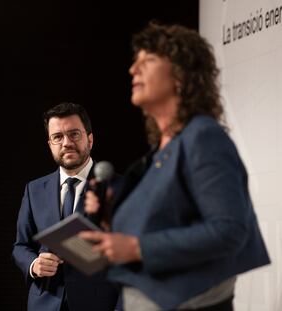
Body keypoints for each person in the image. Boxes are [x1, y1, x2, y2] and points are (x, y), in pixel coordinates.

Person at [79, 22, 270, 311]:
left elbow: (229, 230)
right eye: (135, 61)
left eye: (149, 60)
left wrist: (135, 248)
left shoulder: (204, 137)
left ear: (181, 75)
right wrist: (109, 219)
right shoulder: (163, 149)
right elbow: (168, 222)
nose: (133, 69)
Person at [12, 102, 121, 311]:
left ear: (90, 139)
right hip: (43, 304)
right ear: (50, 144)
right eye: (57, 137)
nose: (66, 143)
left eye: (74, 134)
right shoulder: (33, 190)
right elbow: (20, 246)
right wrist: (34, 265)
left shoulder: (119, 188)